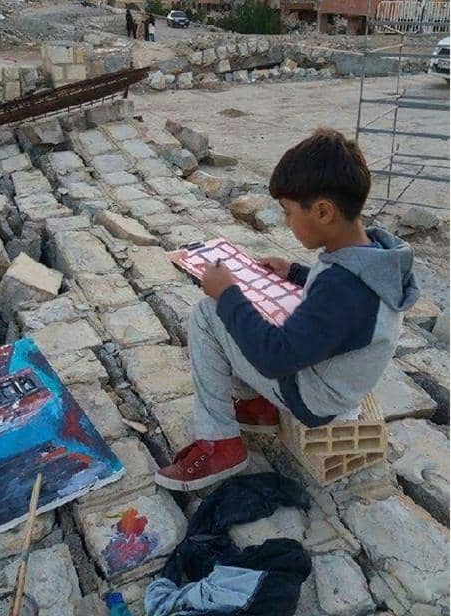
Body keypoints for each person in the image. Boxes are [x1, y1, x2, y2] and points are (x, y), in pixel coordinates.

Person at [155, 129, 419, 492]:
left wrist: (228, 294)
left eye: (289, 212)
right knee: (259, 306)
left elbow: (274, 359)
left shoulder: (344, 289)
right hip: (333, 380)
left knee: (209, 313)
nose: (286, 222)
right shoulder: (373, 252)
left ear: (323, 211)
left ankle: (220, 443)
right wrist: (295, 273)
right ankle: (259, 408)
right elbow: (346, 304)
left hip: (316, 398)